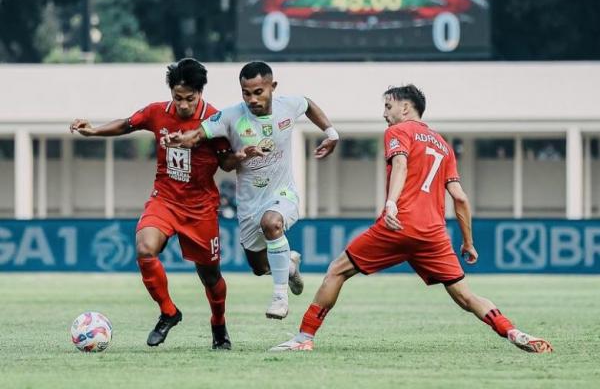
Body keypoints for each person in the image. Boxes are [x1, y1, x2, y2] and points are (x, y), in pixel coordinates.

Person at [270, 84, 553, 353]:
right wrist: (468, 243)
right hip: (434, 234)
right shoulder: (443, 146)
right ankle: (513, 331)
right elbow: (460, 197)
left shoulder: (399, 130)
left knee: (337, 270)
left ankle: (304, 338)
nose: (384, 113)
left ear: (405, 107)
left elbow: (401, 163)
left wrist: (391, 203)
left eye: (388, 105)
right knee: (465, 296)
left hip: (399, 224)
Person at [70, 58, 243, 350]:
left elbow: (226, 164)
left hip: (201, 207)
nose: (184, 104)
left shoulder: (215, 120)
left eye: (190, 98)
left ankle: (219, 325)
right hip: (164, 199)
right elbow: (127, 125)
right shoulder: (157, 112)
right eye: (178, 98)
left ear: (200, 93)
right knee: (144, 248)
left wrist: (240, 156)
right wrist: (94, 130)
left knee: (210, 275)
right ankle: (168, 312)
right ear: (171, 93)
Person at [162, 61, 339, 319]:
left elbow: (308, 104)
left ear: (272, 87)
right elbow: (199, 134)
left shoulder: (287, 106)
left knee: (272, 223)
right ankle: (288, 266)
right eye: (246, 93)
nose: (252, 99)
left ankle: (280, 297)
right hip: (249, 203)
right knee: (258, 267)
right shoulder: (232, 116)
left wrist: (331, 133)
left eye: (259, 92)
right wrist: (182, 139)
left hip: (282, 194)